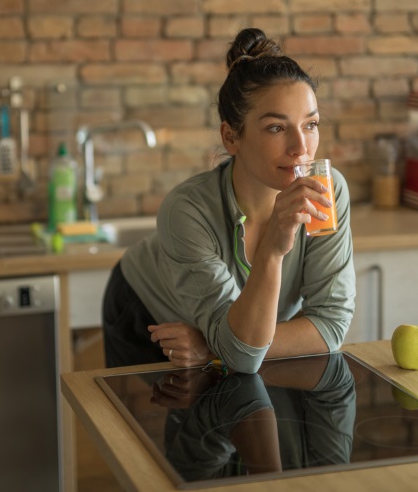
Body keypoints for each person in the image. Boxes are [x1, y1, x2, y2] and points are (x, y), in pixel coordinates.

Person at [102, 27, 355, 374]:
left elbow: (331, 324)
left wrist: (215, 347)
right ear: (231, 137)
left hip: (232, 333)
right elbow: (243, 353)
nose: (301, 148)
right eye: (276, 128)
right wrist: (273, 247)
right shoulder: (187, 211)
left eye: (310, 124)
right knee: (153, 425)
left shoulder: (327, 193)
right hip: (147, 312)